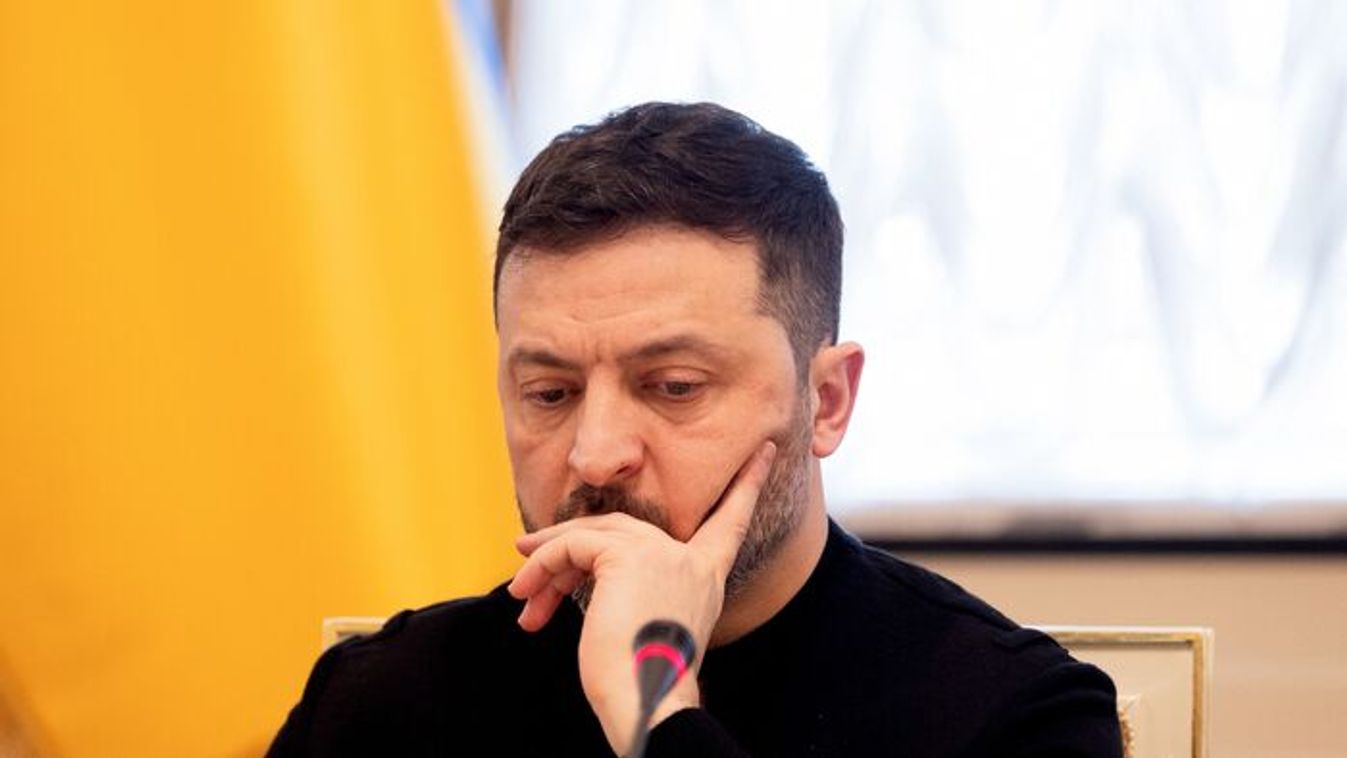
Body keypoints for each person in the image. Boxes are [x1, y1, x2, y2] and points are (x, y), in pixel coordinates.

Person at [267, 102, 1122, 757]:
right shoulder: (383, 701)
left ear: (825, 401)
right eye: (549, 393)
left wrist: (656, 711)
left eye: (673, 387)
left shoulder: (1012, 716)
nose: (595, 454)